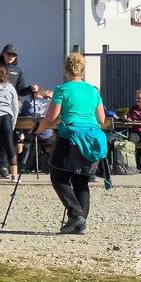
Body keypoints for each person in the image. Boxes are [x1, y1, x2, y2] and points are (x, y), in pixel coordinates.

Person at [36, 52, 107, 235]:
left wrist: (38, 129)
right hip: (91, 138)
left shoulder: (62, 89)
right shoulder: (93, 90)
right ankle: (80, 223)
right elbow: (101, 118)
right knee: (81, 181)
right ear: (83, 70)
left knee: (58, 177)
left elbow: (51, 117)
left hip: (70, 138)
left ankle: (76, 216)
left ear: (66, 69)